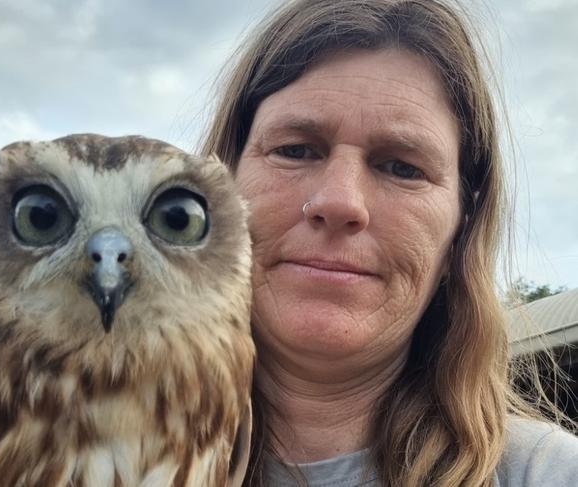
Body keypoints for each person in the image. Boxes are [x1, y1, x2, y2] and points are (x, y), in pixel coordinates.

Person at [201, 0, 578, 486]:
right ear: (217, 186)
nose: (339, 202)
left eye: (402, 167)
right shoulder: (76, 454)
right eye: (294, 150)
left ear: (461, 230)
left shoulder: (546, 475)